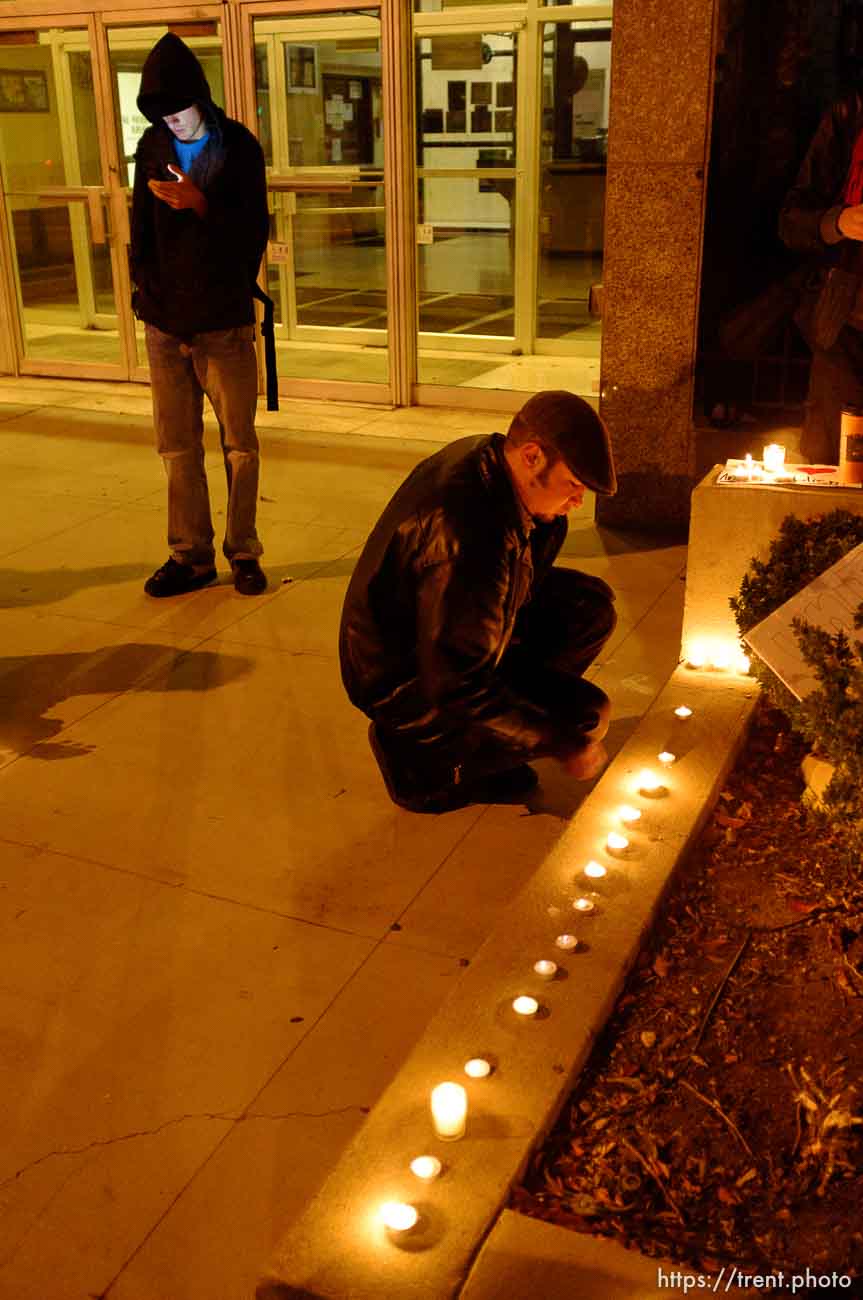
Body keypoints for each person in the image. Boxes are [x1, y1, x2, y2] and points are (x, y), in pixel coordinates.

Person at [339, 391, 618, 813]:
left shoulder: (491, 460)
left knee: (588, 608)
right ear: (532, 456)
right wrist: (557, 742)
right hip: (407, 683)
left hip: (438, 630)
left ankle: (491, 734)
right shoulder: (468, 537)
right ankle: (425, 765)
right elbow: (454, 685)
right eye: (574, 485)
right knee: (583, 719)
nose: (578, 502)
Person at [131, 33, 270, 597]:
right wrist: (146, 295)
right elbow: (142, 231)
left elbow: (252, 233)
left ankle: (243, 551)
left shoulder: (237, 148)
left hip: (223, 324)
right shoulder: (151, 147)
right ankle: (190, 556)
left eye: (180, 111)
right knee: (176, 446)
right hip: (165, 325)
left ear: (202, 100)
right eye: (163, 114)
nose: (174, 123)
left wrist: (203, 205)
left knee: (239, 445)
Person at [780, 90, 863, 464]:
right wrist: (840, 222)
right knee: (834, 460)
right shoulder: (850, 118)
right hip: (845, 319)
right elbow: (792, 221)